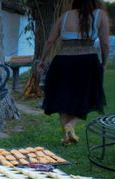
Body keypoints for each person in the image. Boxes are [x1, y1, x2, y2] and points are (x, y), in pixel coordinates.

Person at [38, 0, 110, 145]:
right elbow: (105, 43)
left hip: (62, 62)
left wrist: (42, 60)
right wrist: (104, 62)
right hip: (87, 62)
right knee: (85, 96)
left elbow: (50, 41)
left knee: (62, 98)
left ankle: (67, 136)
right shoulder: (100, 15)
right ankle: (71, 125)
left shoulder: (64, 17)